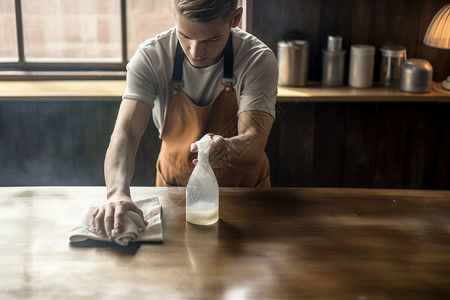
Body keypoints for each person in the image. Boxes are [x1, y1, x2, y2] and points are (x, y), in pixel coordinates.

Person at [92, 0, 278, 240]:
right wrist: (117, 193)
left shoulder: (257, 59)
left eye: (211, 39)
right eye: (185, 35)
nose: (195, 51)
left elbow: (254, 140)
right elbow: (125, 133)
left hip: (244, 194)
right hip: (173, 192)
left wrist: (228, 147)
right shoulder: (151, 57)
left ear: (235, 18)